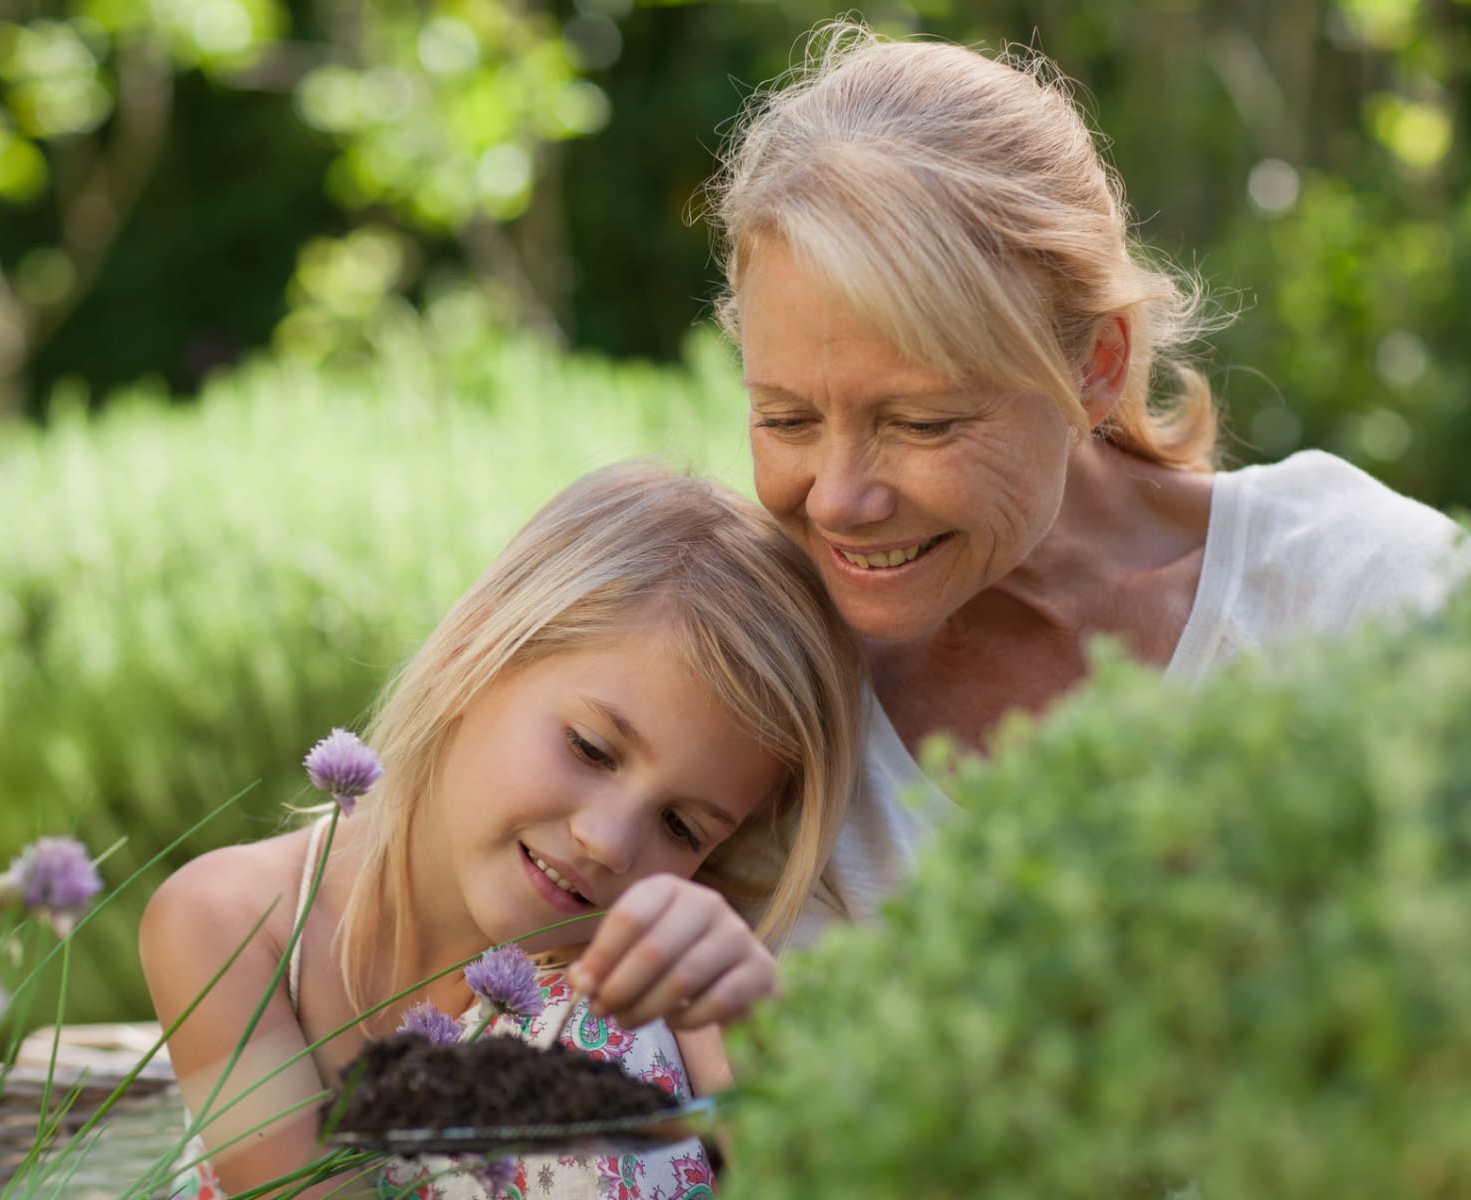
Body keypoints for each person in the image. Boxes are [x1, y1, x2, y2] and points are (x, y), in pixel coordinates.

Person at [703, 22, 1471, 943]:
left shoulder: (1360, 594)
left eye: (921, 422)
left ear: (1096, 366)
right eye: (786, 419)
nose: (837, 499)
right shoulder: (749, 714)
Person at [139, 462, 863, 1197]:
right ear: (469, 657)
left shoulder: (645, 983)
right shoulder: (235, 923)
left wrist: (745, 1039)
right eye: (590, 747)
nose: (609, 842)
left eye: (681, 827)